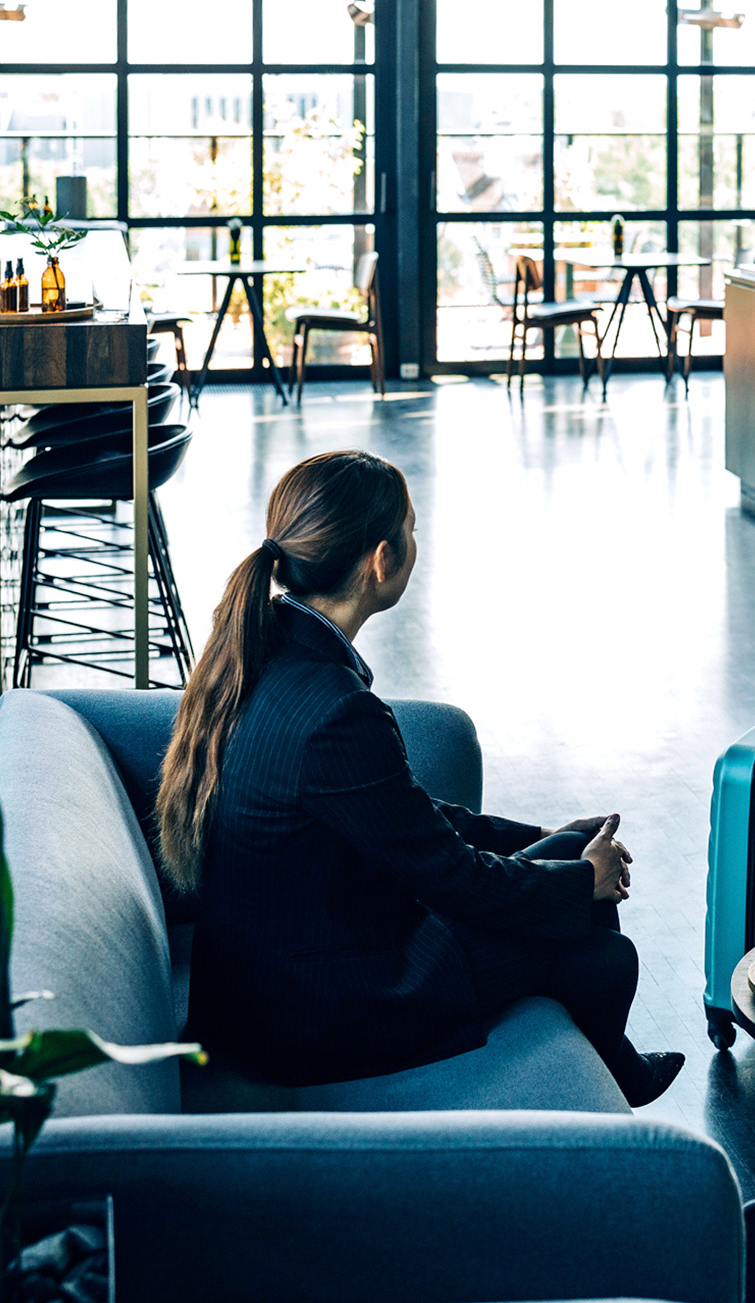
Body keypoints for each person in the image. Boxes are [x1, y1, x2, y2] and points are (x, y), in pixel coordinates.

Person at [156, 449, 683, 1107]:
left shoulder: (269, 653)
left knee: (576, 883)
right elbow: (450, 876)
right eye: (411, 528)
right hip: (317, 1013)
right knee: (605, 956)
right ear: (382, 559)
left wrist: (547, 838)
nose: (414, 542)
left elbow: (402, 814)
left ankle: (618, 1072)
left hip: (275, 977)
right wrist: (582, 880)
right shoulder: (336, 709)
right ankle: (620, 1083)